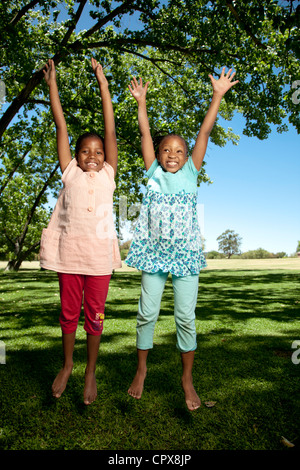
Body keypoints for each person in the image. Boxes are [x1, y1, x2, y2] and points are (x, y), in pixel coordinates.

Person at [125, 68, 239, 411]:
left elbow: (205, 130)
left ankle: (187, 378)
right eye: (165, 150)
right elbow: (145, 132)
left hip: (186, 255)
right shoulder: (152, 173)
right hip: (153, 255)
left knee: (185, 318)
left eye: (178, 150)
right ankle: (141, 369)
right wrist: (141, 103)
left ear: (187, 156)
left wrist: (217, 95)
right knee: (147, 313)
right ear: (157, 155)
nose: (171, 154)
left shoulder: (191, 172)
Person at [40, 58, 121, 405]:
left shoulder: (108, 175)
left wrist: (103, 84)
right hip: (71, 257)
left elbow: (111, 128)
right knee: (69, 313)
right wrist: (52, 84)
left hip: (100, 259)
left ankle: (90, 370)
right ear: (74, 157)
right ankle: (68, 363)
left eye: (98, 151)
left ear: (106, 157)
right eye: (85, 151)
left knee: (96, 316)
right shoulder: (69, 172)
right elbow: (60, 124)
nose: (92, 155)